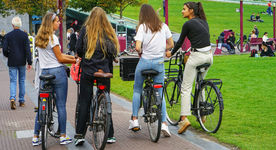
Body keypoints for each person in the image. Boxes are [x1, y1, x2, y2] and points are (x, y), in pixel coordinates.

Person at [166, 1, 213, 134]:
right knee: (201, 83)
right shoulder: (204, 21)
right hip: (209, 57)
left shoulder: (188, 24)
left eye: (184, 9)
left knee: (186, 87)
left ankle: (184, 119)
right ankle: (202, 114)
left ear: (191, 10)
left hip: (197, 56)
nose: (182, 11)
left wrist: (171, 53)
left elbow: (180, 42)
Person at [74, 7, 119, 146]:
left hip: (88, 71)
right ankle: (110, 134)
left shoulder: (85, 30)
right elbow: (113, 52)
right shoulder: (109, 31)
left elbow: (79, 50)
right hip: (104, 71)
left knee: (85, 101)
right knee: (105, 96)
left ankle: (80, 134)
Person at [129, 4, 174, 137]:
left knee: (137, 89)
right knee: (160, 92)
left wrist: (142, 50)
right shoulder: (163, 26)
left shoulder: (143, 27)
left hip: (145, 62)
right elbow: (171, 44)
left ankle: (135, 120)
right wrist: (162, 50)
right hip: (159, 63)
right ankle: (164, 123)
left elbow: (137, 47)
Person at [32, 12, 76, 146]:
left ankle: (35, 136)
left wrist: (73, 59)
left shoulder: (39, 38)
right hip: (57, 72)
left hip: (44, 72)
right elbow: (60, 58)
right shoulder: (53, 38)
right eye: (57, 21)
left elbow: (58, 55)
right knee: (61, 105)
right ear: (50, 23)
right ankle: (63, 135)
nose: (59, 23)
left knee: (41, 104)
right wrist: (75, 60)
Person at [2, 16, 32, 110]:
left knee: (13, 81)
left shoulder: (8, 35)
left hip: (12, 61)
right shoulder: (24, 35)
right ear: (20, 25)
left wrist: (7, 55)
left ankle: (12, 98)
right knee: (22, 80)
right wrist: (29, 61)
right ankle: (22, 100)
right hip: (22, 61)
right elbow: (28, 49)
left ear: (12, 25)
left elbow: (5, 49)